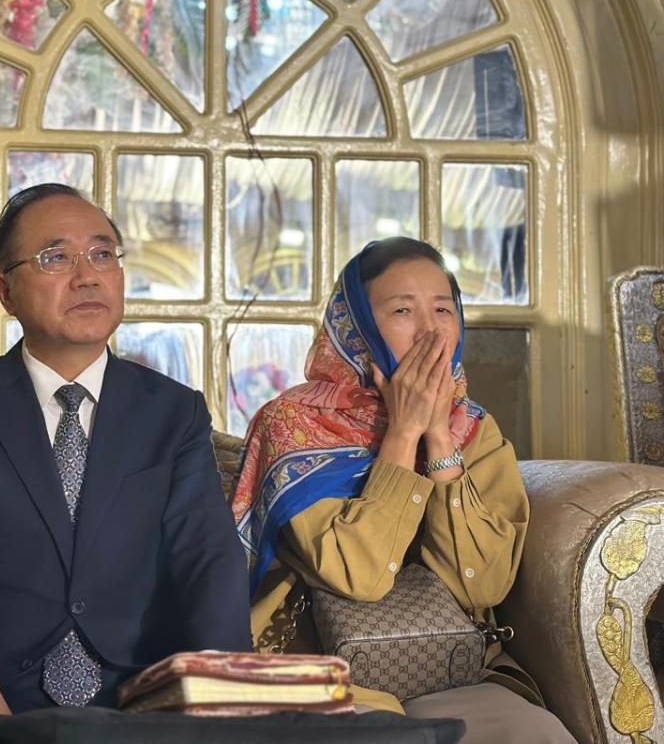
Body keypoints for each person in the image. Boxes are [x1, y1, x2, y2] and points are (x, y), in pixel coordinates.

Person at [0, 183, 250, 744]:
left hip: (142, 696)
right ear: (6, 292)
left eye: (103, 253)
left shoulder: (174, 413)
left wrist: (221, 683)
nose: (87, 276)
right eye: (55, 257)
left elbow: (207, 555)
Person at [230, 237, 575, 742]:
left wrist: (439, 438)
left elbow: (481, 585)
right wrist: (403, 434)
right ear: (357, 327)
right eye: (402, 311)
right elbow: (358, 576)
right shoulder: (293, 424)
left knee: (536, 734)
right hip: (319, 672)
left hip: (450, 663)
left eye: (443, 309)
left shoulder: (474, 430)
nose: (430, 331)